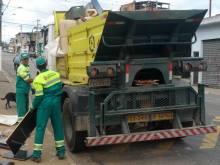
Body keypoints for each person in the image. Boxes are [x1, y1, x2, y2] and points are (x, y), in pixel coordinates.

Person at [31, 56, 65, 162]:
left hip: (45, 105)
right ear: (46, 64)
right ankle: (61, 152)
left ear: (37, 67)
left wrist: (33, 106)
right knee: (58, 126)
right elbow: (60, 86)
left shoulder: (38, 79)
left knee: (41, 127)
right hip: (56, 103)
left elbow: (39, 96)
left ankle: (36, 155)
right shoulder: (55, 74)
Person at [16, 53, 33, 122]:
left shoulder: (26, 66)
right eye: (24, 59)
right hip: (21, 91)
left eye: (27, 59)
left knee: (26, 107)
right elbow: (27, 80)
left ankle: (24, 122)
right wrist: (37, 79)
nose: (26, 60)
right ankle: (20, 123)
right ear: (21, 60)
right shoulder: (21, 68)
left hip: (25, 90)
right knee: (21, 108)